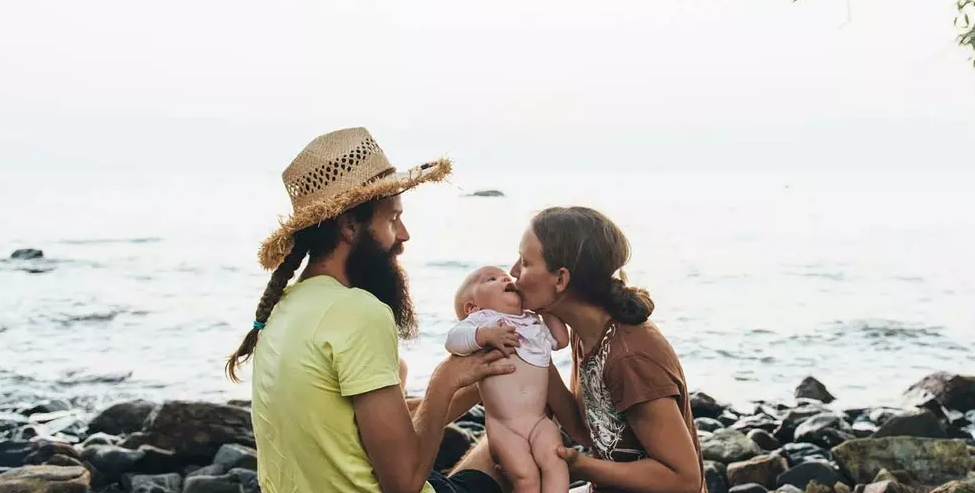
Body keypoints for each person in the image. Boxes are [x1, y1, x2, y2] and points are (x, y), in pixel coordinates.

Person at [225, 127, 515, 493]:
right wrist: (446, 378)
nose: (405, 234)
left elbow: (362, 428)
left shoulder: (286, 307)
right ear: (349, 227)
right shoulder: (358, 311)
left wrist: (474, 383)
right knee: (501, 450)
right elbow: (404, 484)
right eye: (392, 220)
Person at [508, 206, 705, 493]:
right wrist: (533, 352)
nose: (513, 272)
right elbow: (586, 430)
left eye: (525, 263)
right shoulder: (587, 332)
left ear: (561, 279)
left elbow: (684, 480)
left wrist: (580, 466)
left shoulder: (629, 358)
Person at [447, 266, 571, 493]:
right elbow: (453, 341)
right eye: (491, 279)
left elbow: (561, 341)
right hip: (505, 427)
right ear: (472, 307)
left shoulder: (532, 322)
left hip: (539, 420)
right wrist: (483, 335)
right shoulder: (482, 322)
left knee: (555, 463)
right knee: (526, 477)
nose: (505, 277)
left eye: (504, 276)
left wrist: (548, 311)